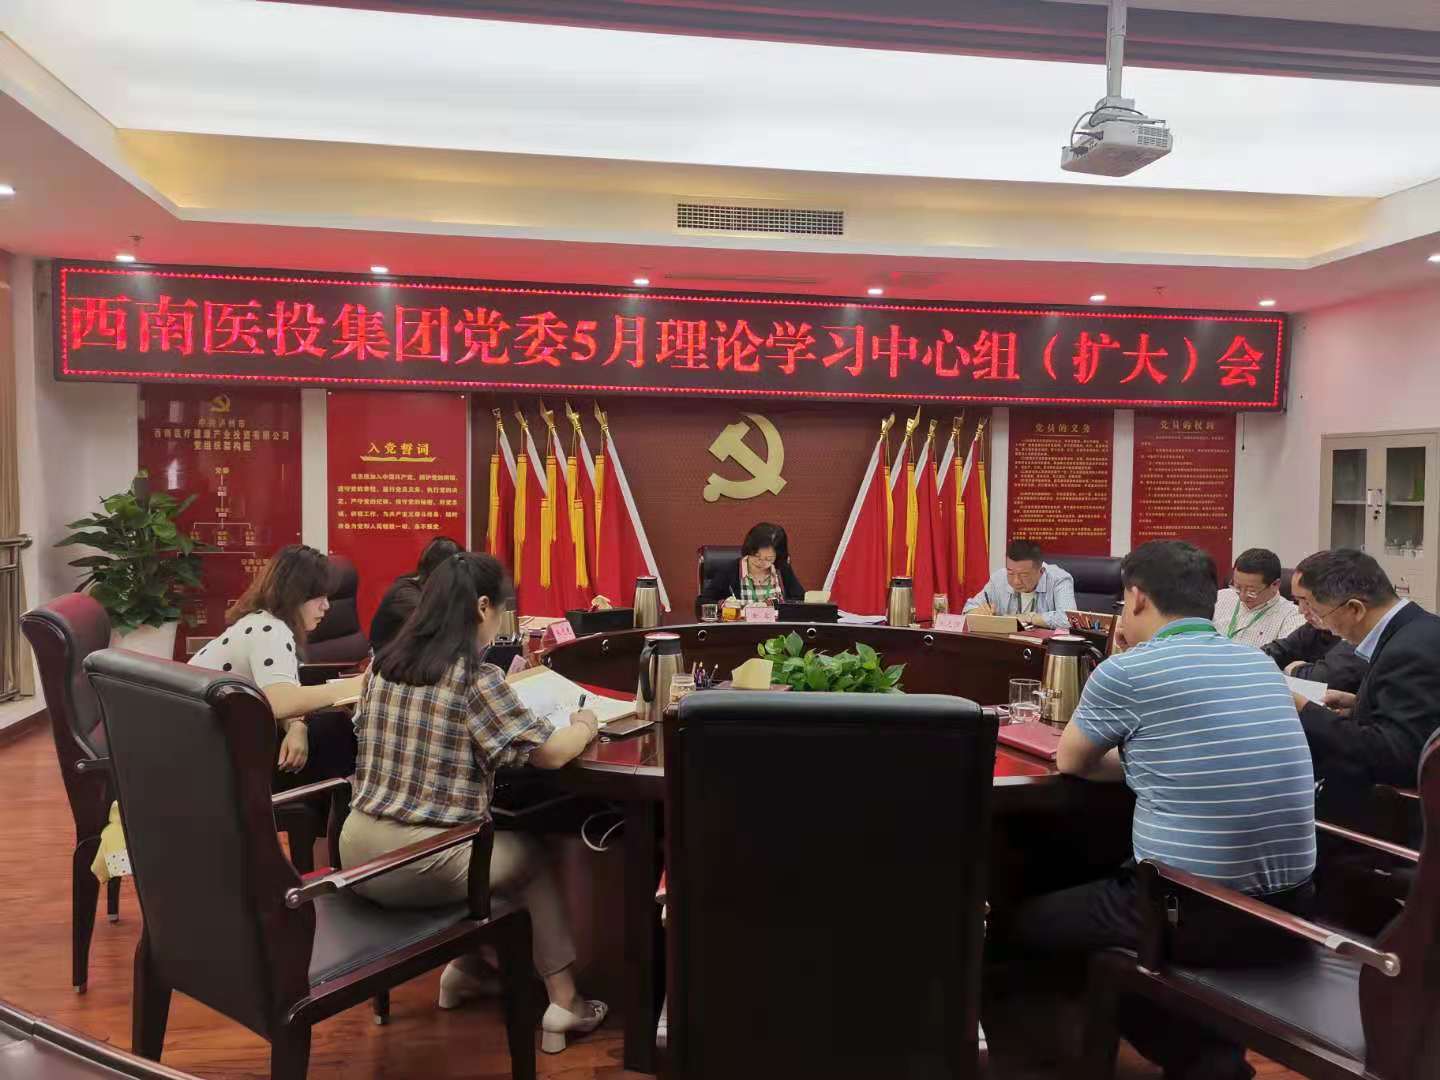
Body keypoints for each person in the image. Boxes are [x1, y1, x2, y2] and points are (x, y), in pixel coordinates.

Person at [1005, 541, 1316, 1080]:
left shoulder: (1130, 670)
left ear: (1136, 598)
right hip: (1291, 909)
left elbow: (1072, 761)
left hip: (1191, 909)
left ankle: (1179, 1059)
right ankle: (1205, 1055)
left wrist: (1119, 666)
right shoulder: (1259, 663)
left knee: (1016, 924)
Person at [341, 551, 607, 1054]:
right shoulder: (474, 679)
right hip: (417, 863)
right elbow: (551, 755)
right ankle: (565, 1002)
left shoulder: (383, 666)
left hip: (356, 850)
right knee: (526, 858)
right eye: (502, 610)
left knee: (488, 855)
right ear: (483, 607)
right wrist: (584, 725)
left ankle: (466, 972)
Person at [190, 544, 363, 781]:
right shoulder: (270, 630)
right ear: (295, 594)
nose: (327, 606)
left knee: (329, 728)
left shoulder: (262, 621)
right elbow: (280, 701)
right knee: (338, 732)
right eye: (319, 597)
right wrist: (358, 684)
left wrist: (297, 726)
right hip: (214, 750)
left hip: (220, 737)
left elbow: (275, 691)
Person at [1290, 548, 1440, 817]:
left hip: (1386, 816)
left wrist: (1306, 711)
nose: (1310, 617)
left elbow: (1397, 758)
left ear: (1354, 609)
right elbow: (1419, 720)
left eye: (1316, 610)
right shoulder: (1421, 628)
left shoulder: (1407, 651)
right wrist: (1358, 703)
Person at [1262, 570, 1366, 693]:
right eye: (1297, 601)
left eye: (1307, 602)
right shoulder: (1315, 628)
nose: (1301, 610)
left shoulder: (1358, 635)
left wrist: (1295, 669)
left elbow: (1326, 678)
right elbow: (1281, 649)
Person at [368, 535, 462, 652]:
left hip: (414, 656)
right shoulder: (404, 594)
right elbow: (432, 627)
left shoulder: (432, 587)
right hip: (389, 659)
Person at [961, 539, 1075, 629]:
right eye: (1010, 573)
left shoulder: (1059, 579)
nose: (1016, 581)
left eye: (1024, 575)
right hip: (1007, 644)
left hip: (1044, 648)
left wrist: (1027, 618)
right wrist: (976, 613)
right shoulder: (999, 578)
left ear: (1041, 571)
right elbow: (967, 610)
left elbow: (1069, 620)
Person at [1212, 548, 1305, 648]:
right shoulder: (1218, 598)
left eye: (1251, 591)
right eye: (1237, 587)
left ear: (1275, 585)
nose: (1242, 597)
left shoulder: (1292, 617)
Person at [699, 522, 804, 606]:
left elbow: (800, 600)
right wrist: (723, 605)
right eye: (757, 556)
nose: (761, 562)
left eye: (768, 559)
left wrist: (775, 604)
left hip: (775, 626)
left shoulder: (781, 569)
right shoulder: (730, 570)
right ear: (749, 550)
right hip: (741, 625)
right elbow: (702, 602)